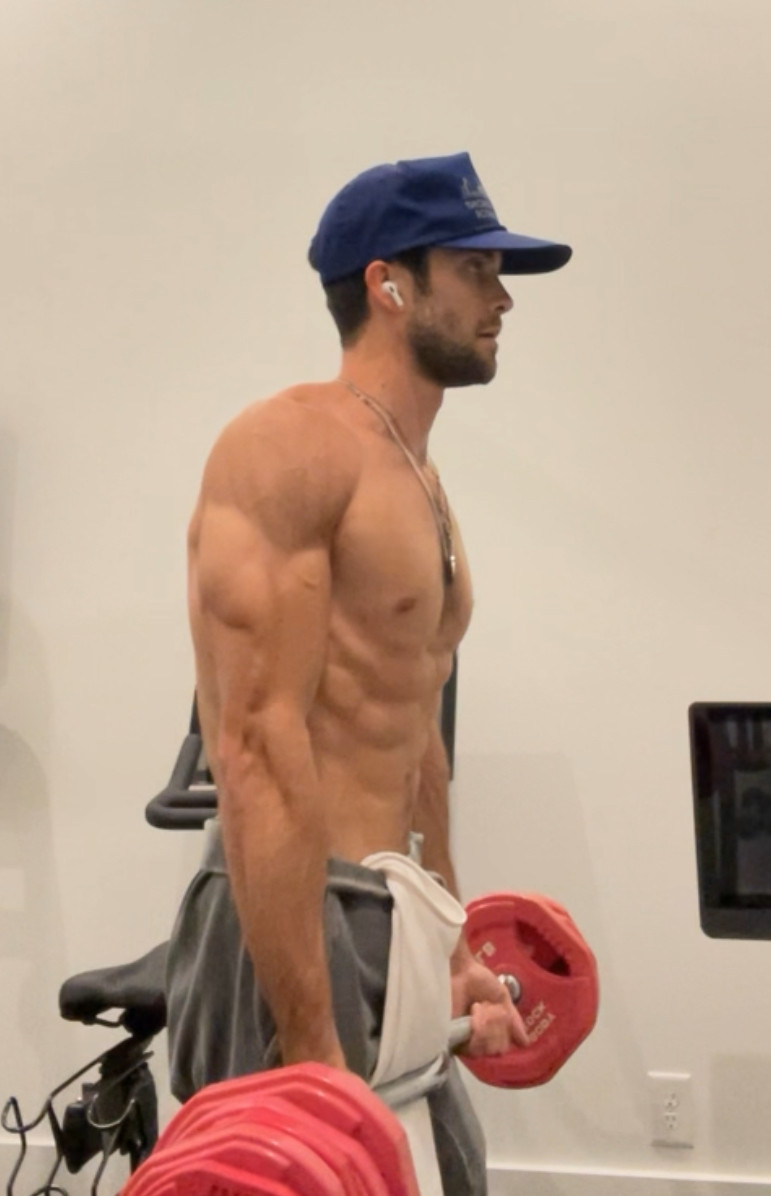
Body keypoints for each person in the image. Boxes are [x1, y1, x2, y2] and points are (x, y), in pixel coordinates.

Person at [165, 151, 572, 1193]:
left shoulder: (417, 473)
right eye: (475, 270)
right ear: (390, 284)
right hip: (291, 922)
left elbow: (417, 731)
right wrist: (309, 1041)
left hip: (387, 912)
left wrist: (454, 942)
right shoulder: (287, 447)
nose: (502, 299)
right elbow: (255, 745)